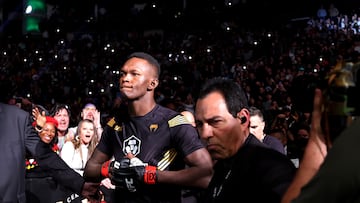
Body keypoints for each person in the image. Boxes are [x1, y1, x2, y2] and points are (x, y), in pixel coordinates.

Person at [83, 52, 213, 202]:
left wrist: (151, 175)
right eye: (123, 74)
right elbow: (89, 169)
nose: (125, 78)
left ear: (152, 83)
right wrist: (110, 169)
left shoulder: (174, 122)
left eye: (134, 74)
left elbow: (205, 175)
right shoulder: (115, 124)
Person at [194, 77, 296, 203]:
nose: (205, 134)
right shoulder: (222, 164)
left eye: (216, 122)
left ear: (243, 119)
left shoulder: (272, 168)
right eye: (199, 124)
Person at [0, 101, 99, 203]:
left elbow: (45, 156)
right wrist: (38, 129)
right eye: (59, 115)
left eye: (52, 131)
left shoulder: (17, 117)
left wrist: (80, 184)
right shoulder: (69, 144)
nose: (49, 134)